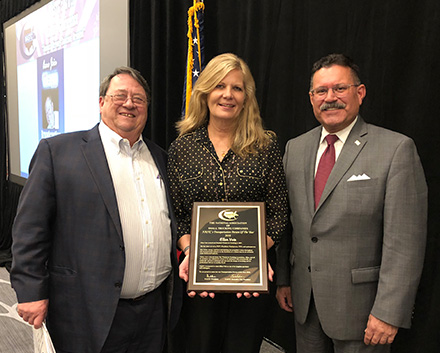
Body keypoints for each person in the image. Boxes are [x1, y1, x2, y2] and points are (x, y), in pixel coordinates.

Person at [10, 67, 182, 353]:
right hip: (87, 309)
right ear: (101, 102)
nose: (129, 103)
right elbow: (30, 228)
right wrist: (30, 291)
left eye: (139, 99)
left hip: (153, 311)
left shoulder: (161, 158)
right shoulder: (59, 152)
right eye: (120, 96)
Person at [276, 53, 428, 353]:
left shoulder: (395, 149)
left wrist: (389, 311)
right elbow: (290, 220)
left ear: (360, 92)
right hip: (305, 305)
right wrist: (283, 278)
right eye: (321, 91)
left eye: (339, 89)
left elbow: (405, 242)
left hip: (364, 312)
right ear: (311, 98)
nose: (329, 98)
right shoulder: (295, 148)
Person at [167, 53, 288, 353]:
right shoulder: (182, 148)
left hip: (251, 284)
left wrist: (254, 259)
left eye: (237, 88)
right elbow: (177, 215)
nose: (228, 95)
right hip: (199, 282)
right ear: (205, 91)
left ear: (246, 97)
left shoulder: (266, 145)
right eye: (220, 86)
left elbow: (278, 215)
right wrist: (191, 251)